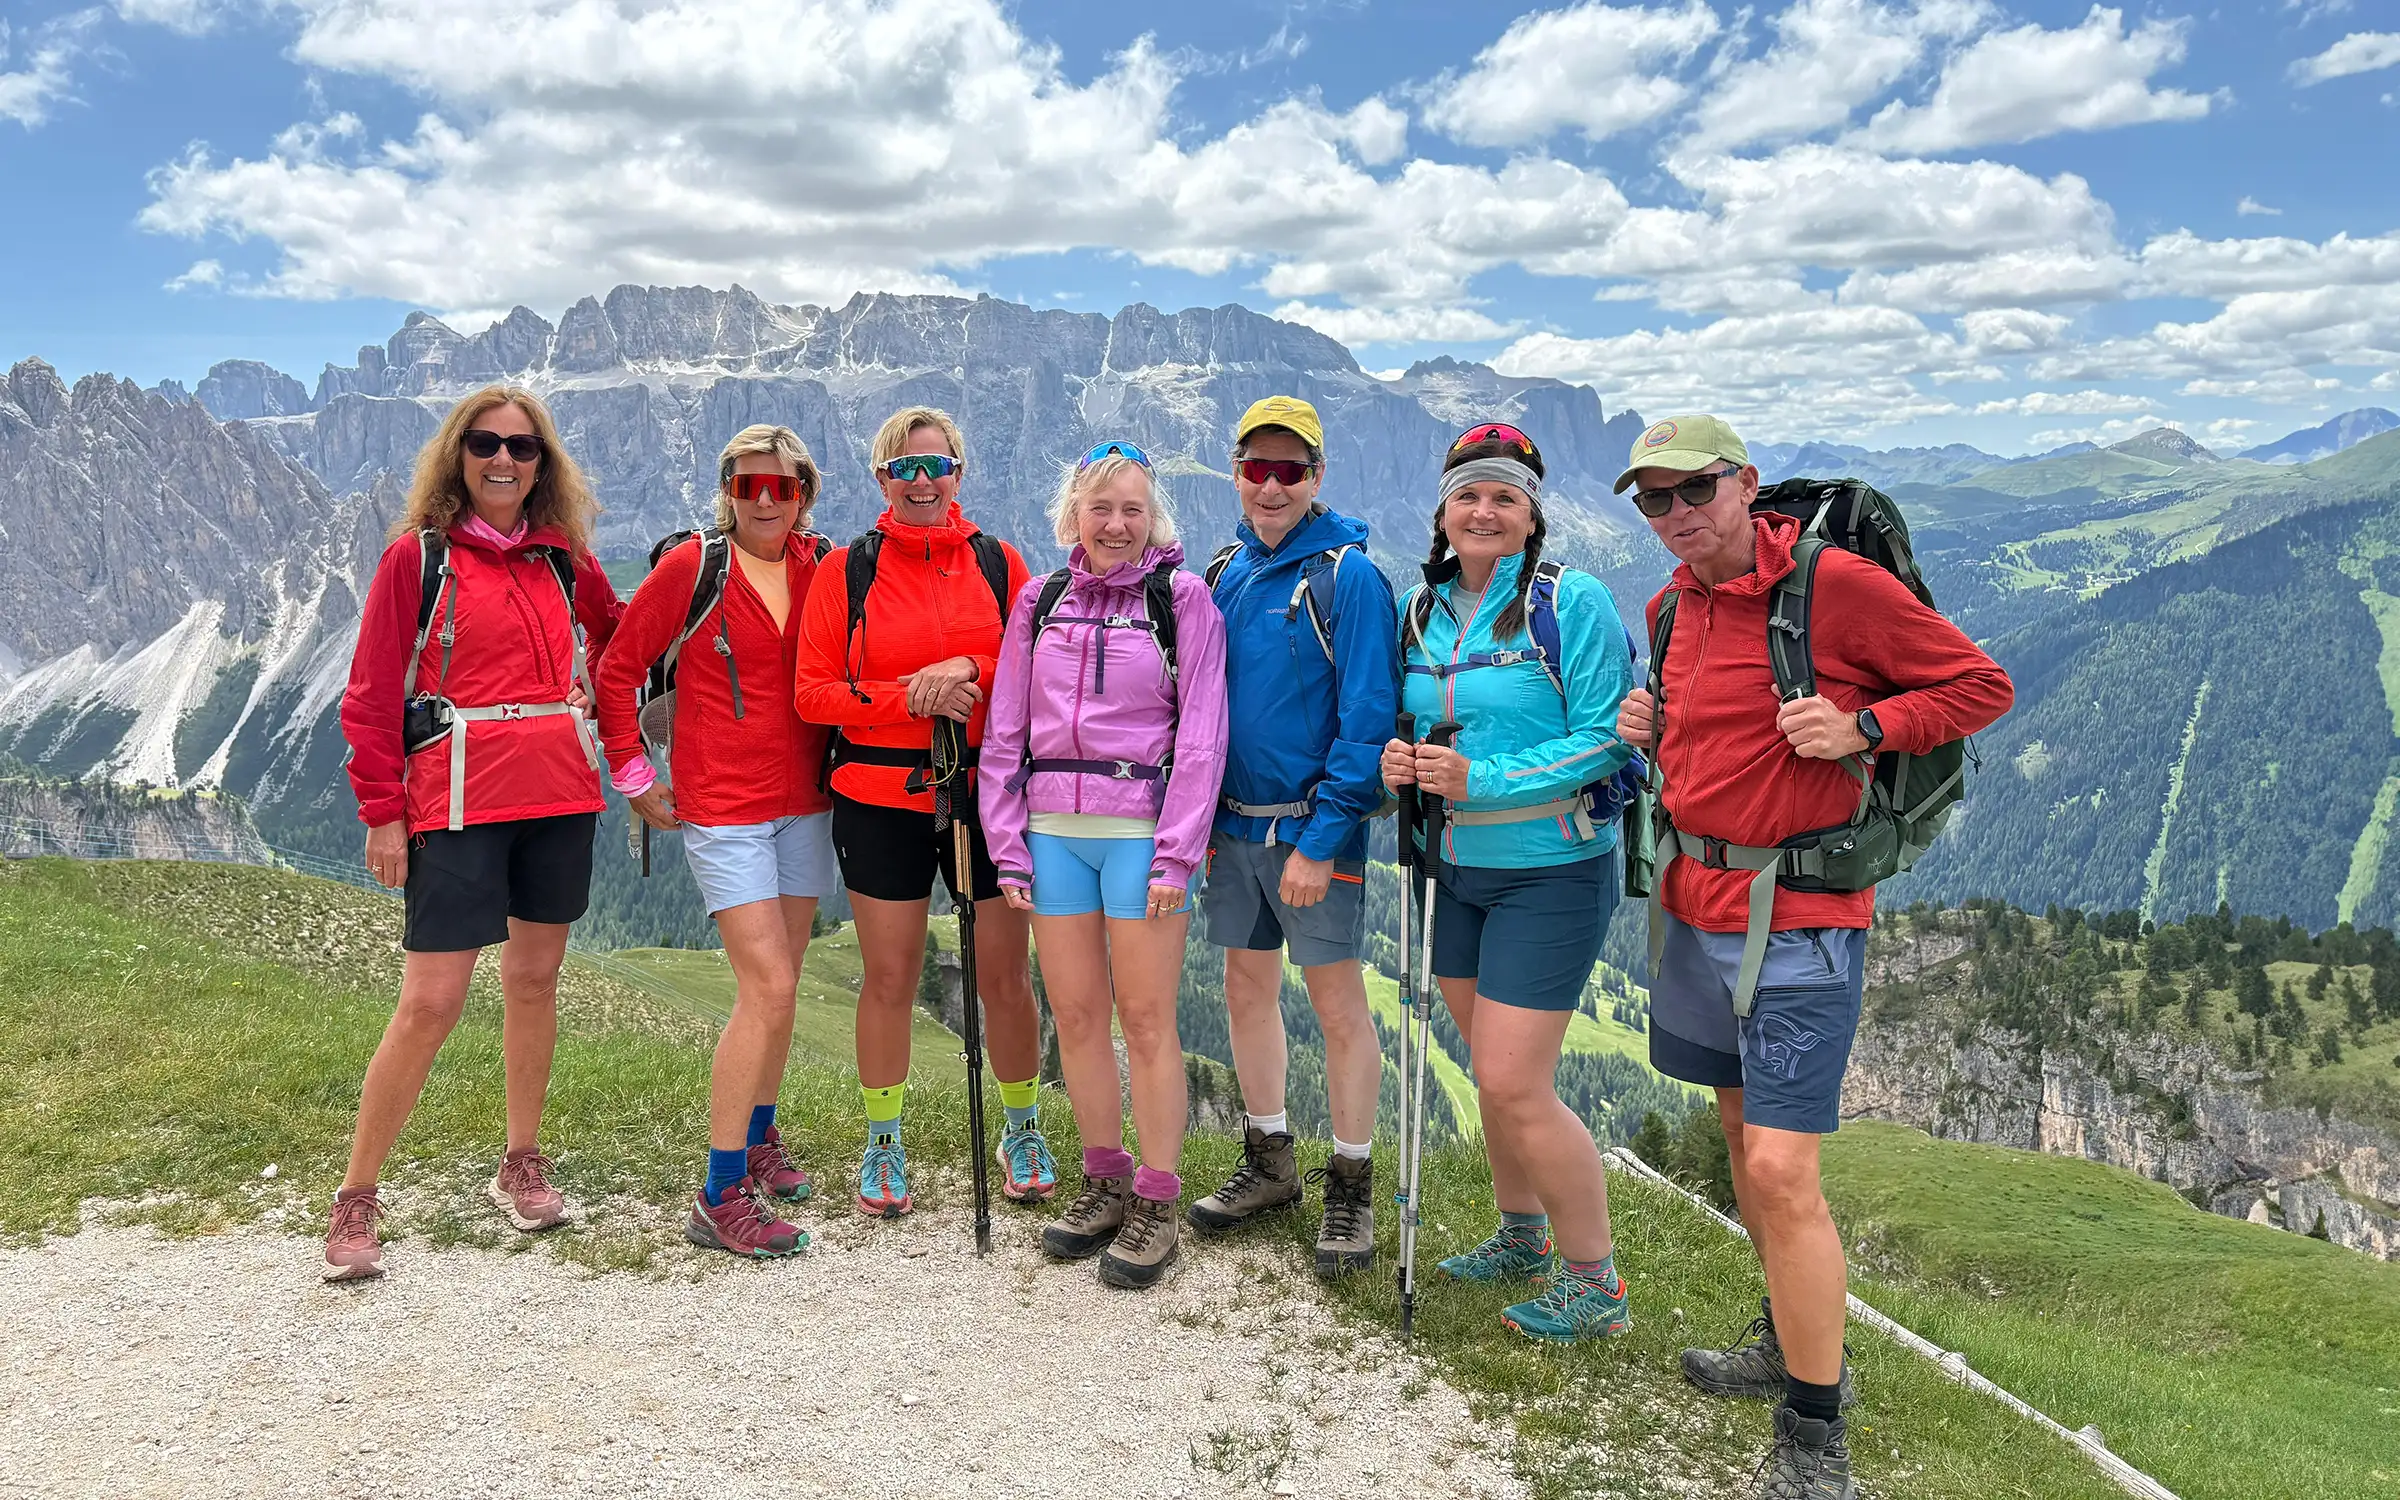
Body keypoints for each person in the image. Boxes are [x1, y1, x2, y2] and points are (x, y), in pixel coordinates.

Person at [1612, 415, 2013, 1498]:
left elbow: (1982, 687)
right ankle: (1781, 1338)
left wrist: (1865, 730)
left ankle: (1815, 1428)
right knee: (1745, 1151)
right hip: (1695, 908)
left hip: (1802, 918)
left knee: (1785, 1171)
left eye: (1695, 489)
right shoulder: (1669, 605)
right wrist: (1651, 729)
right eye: (1653, 501)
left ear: (1746, 484)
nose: (1677, 514)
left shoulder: (1835, 589)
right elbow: (1710, 739)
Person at [325, 385, 622, 1281]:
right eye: (486, 444)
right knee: (431, 1002)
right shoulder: (417, 559)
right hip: (453, 800)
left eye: (523, 449)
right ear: (458, 454)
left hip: (558, 793)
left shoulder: (562, 557)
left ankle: (520, 1158)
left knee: (534, 980)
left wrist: (591, 686)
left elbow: (619, 640)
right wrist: (381, 810)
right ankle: (356, 1195)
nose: (504, 461)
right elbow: (372, 696)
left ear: (544, 465)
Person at [1380, 422, 1637, 1341]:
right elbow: (1409, 722)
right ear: (1443, 513)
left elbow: (1607, 735)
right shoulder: (1421, 610)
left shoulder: (1575, 603)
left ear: (1533, 517)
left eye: (1505, 498)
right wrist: (1399, 762)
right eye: (1468, 496)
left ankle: (1596, 1284)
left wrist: (1479, 780)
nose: (1484, 511)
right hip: (1457, 871)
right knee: (1495, 1079)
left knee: (1513, 1080)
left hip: (1553, 873)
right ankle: (1521, 1235)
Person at [793, 406, 1052, 1218]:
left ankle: (1023, 1128)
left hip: (983, 795)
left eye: (936, 466)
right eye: (904, 469)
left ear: (960, 475)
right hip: (876, 798)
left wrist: (970, 662)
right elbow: (813, 694)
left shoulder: (999, 564)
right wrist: (911, 695)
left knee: (1005, 975)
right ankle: (883, 1143)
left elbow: (1032, 660)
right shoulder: (847, 572)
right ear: (881, 480)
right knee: (891, 976)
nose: (922, 481)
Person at [981, 441, 1228, 1288]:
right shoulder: (1039, 599)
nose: (1116, 525)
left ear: (1152, 517)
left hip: (1140, 837)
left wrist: (1178, 854)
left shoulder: (1181, 598)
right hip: (1052, 833)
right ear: (1074, 518)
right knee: (1078, 1018)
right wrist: (1006, 843)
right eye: (1101, 509)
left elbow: (1202, 733)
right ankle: (1105, 1179)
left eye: (1132, 510)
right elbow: (1004, 729)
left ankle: (1157, 1198)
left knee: (1148, 1022)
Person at [595, 424, 834, 1259]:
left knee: (787, 982)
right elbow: (618, 669)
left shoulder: (821, 565)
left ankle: (761, 1141)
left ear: (805, 492)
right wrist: (630, 773)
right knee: (765, 986)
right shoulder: (691, 568)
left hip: (806, 804)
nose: (765, 501)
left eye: (782, 487)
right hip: (724, 809)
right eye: (748, 487)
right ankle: (718, 1192)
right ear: (726, 492)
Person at [1189, 395, 1400, 1278]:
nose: (1270, 486)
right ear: (1235, 475)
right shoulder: (1226, 569)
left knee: (1337, 1004)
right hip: (1232, 828)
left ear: (1317, 478)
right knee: (1246, 988)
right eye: (1255, 469)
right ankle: (1270, 1160)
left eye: (1290, 471)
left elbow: (1369, 721)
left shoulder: (1349, 575)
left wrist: (1322, 840)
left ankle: (1351, 1180)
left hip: (1311, 833)